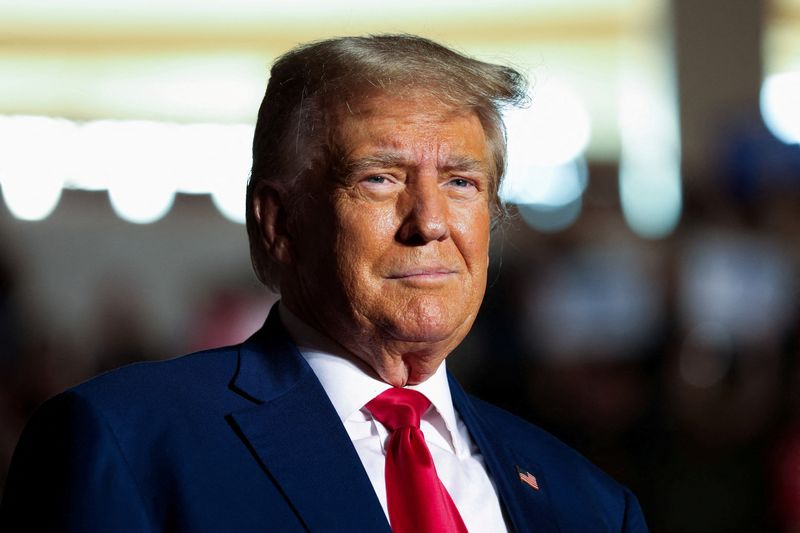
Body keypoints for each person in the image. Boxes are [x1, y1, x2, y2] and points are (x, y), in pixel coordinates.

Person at [0, 34, 648, 532]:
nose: (430, 222)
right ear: (279, 223)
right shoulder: (124, 443)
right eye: (380, 178)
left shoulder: (590, 503)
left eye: (460, 182)